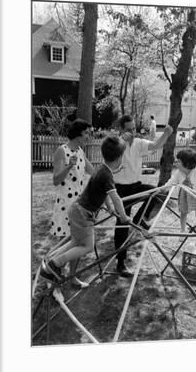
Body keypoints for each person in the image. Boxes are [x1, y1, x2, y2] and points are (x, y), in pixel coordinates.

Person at [41, 136, 130, 284]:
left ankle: (51, 264)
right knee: (88, 246)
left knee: (76, 242)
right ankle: (55, 264)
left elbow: (105, 194)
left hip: (77, 210)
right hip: (83, 214)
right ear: (119, 158)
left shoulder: (101, 169)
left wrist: (108, 207)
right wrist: (124, 217)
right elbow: (116, 198)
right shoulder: (106, 175)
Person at [113, 115, 173, 276]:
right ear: (120, 130)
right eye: (128, 129)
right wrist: (120, 141)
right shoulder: (116, 144)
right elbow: (110, 158)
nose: (132, 132)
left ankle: (139, 220)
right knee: (122, 226)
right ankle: (120, 263)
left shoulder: (138, 143)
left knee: (156, 193)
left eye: (133, 128)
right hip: (120, 189)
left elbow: (155, 145)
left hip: (135, 185)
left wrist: (166, 133)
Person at [50, 118, 95, 287]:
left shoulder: (81, 151)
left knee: (79, 242)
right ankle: (53, 280)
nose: (89, 136)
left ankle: (72, 277)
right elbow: (56, 179)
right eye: (87, 133)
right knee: (63, 243)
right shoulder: (62, 151)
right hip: (65, 205)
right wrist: (68, 166)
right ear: (78, 134)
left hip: (78, 206)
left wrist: (110, 173)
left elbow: (93, 172)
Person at [166, 148, 196, 247]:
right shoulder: (178, 172)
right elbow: (171, 181)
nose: (176, 162)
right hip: (184, 196)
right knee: (183, 213)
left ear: (187, 163)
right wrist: (164, 188)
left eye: (179, 161)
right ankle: (182, 230)